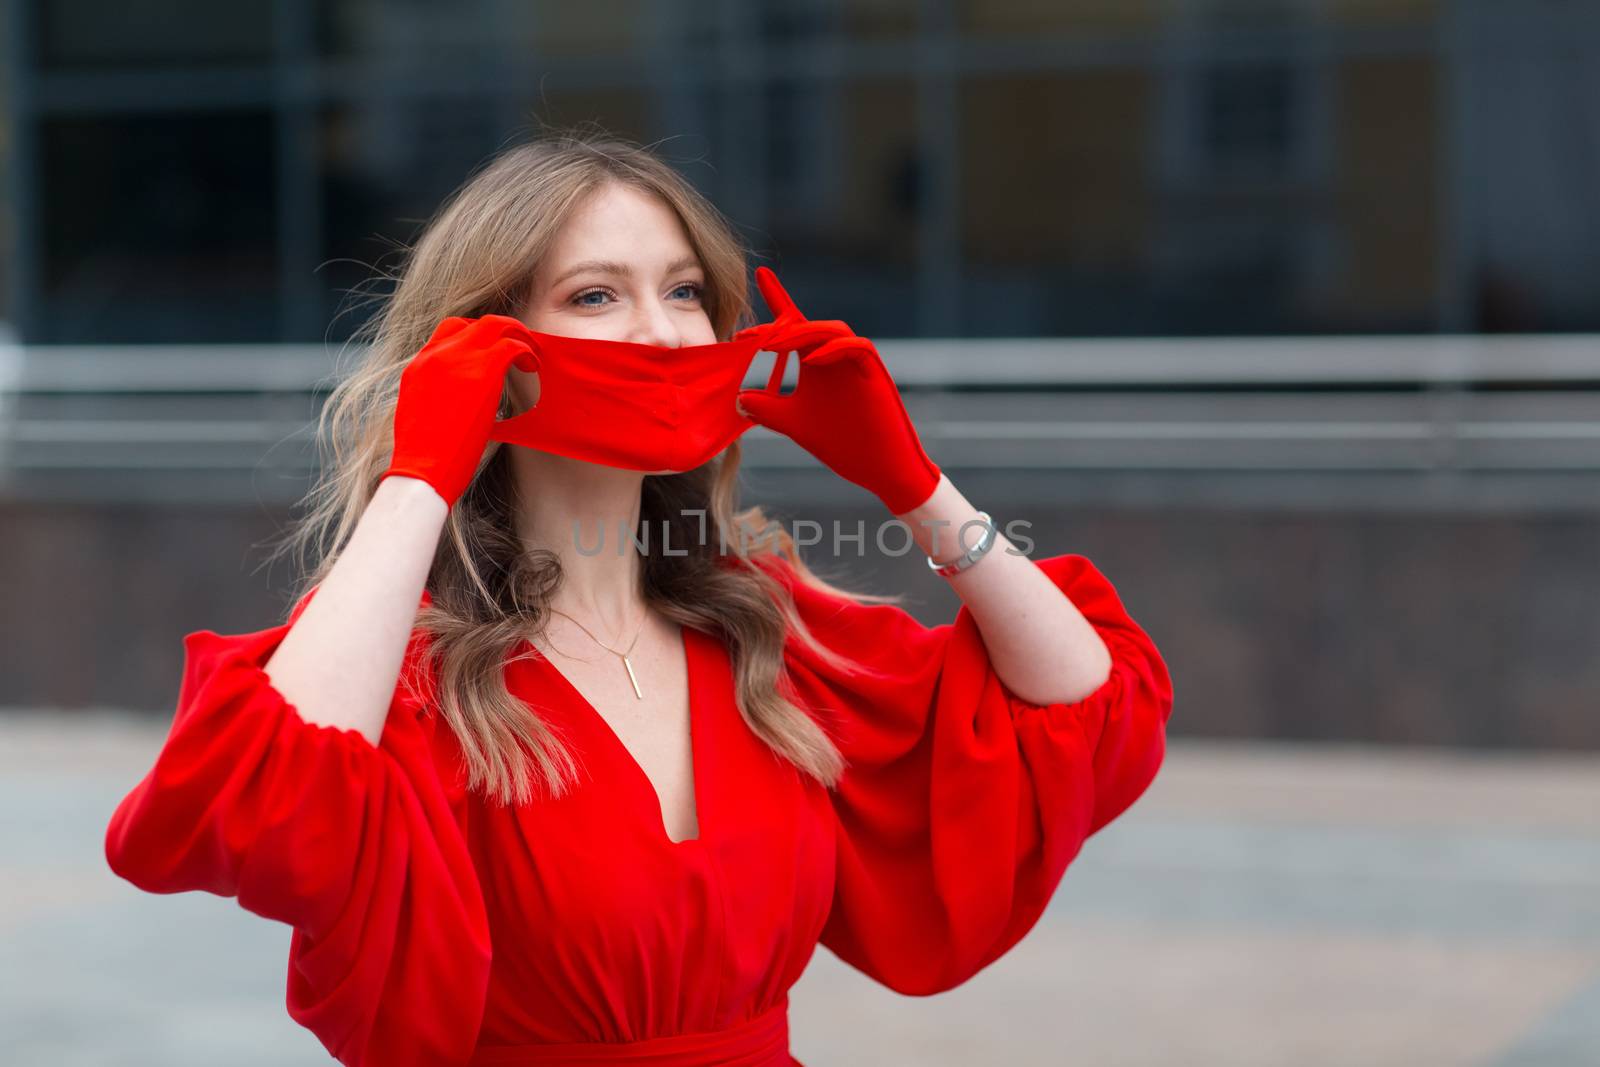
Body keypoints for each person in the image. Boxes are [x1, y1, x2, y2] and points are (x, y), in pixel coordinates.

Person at [103, 130, 1175, 1067]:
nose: (664, 334)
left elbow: (1091, 706)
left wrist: (914, 483)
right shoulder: (407, 670)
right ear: (483, 350)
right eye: (596, 295)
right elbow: (248, 792)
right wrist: (419, 476)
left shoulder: (766, 631)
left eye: (686, 291)